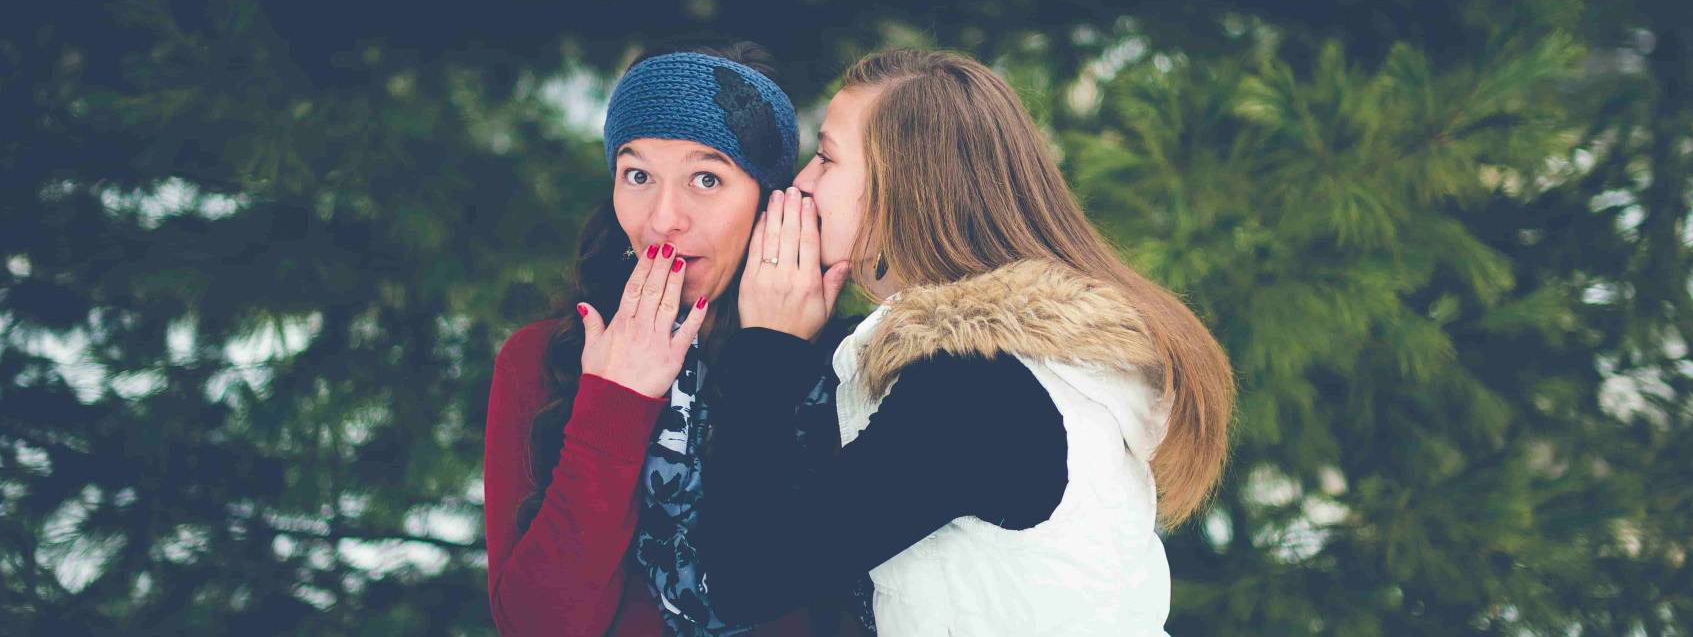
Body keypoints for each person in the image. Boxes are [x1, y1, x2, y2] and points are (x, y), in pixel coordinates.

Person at [689, 48, 1237, 635]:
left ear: (903, 188)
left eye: (825, 158)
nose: (801, 183)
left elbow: (744, 580)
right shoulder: (1024, 367)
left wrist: (768, 352)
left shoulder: (974, 391)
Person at [483, 42, 850, 636]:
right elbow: (538, 624)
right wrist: (613, 404)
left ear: (768, 200)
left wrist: (773, 360)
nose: (662, 219)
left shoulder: (843, 362)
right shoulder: (542, 359)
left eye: (707, 178)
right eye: (638, 175)